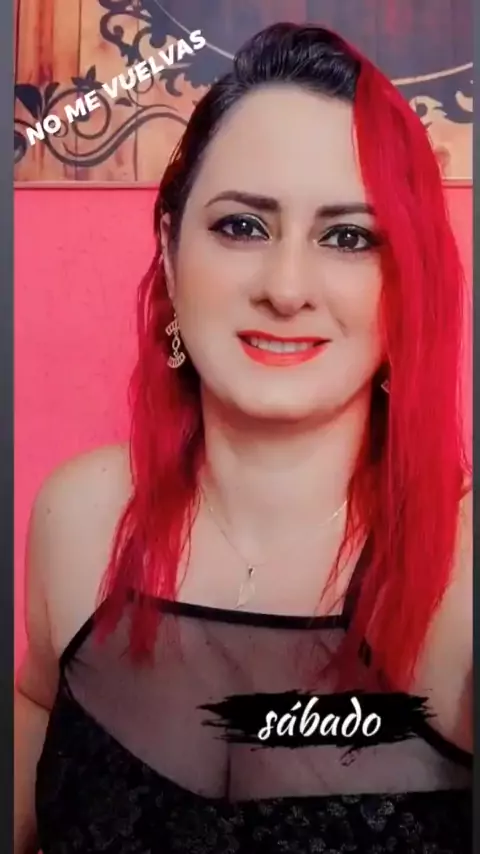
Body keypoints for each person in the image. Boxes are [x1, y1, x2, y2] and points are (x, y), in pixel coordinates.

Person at [14, 21, 472, 854]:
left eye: (348, 237)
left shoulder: (465, 578)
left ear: (407, 284)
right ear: (169, 248)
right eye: (243, 227)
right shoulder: (78, 516)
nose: (286, 288)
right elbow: (37, 713)